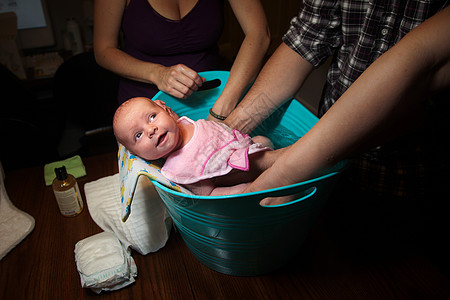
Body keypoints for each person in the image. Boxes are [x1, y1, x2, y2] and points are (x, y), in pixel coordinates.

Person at [224, 1, 449, 202]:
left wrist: (276, 166)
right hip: (324, 165)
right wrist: (227, 132)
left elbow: (420, 68)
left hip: (412, 169)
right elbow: (308, 35)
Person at [93, 0, 270, 119]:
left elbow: (259, 33)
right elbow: (103, 50)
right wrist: (157, 74)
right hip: (146, 113)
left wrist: (225, 104)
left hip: (214, 100)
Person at [113, 97, 275, 196]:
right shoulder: (180, 169)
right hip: (246, 178)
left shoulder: (182, 124)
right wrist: (247, 190)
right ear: (138, 154)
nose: (150, 130)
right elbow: (210, 193)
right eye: (138, 135)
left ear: (167, 110)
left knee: (264, 140)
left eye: (152, 117)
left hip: (247, 147)